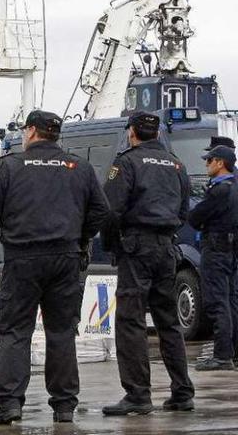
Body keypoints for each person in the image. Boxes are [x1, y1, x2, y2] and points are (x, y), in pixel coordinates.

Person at [0, 110, 109, 425]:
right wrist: (81, 237)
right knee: (61, 332)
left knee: (14, 332)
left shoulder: (9, 166)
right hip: (65, 258)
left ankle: (10, 405)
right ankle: (63, 406)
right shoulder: (80, 167)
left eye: (24, 130)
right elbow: (101, 210)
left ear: (32, 132)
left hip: (22, 259)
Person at [101, 111, 195, 415]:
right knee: (168, 322)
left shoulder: (126, 162)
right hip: (167, 247)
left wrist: (113, 246)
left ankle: (138, 395)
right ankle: (182, 392)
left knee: (131, 321)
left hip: (136, 247)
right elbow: (184, 211)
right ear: (156, 135)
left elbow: (112, 211)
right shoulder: (176, 165)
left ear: (131, 133)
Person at [187, 145, 238, 370]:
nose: (206, 164)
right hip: (232, 249)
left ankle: (222, 355)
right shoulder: (235, 187)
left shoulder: (219, 190)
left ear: (220, 163)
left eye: (209, 161)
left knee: (217, 301)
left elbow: (196, 216)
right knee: (230, 300)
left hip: (216, 249)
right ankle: (232, 352)